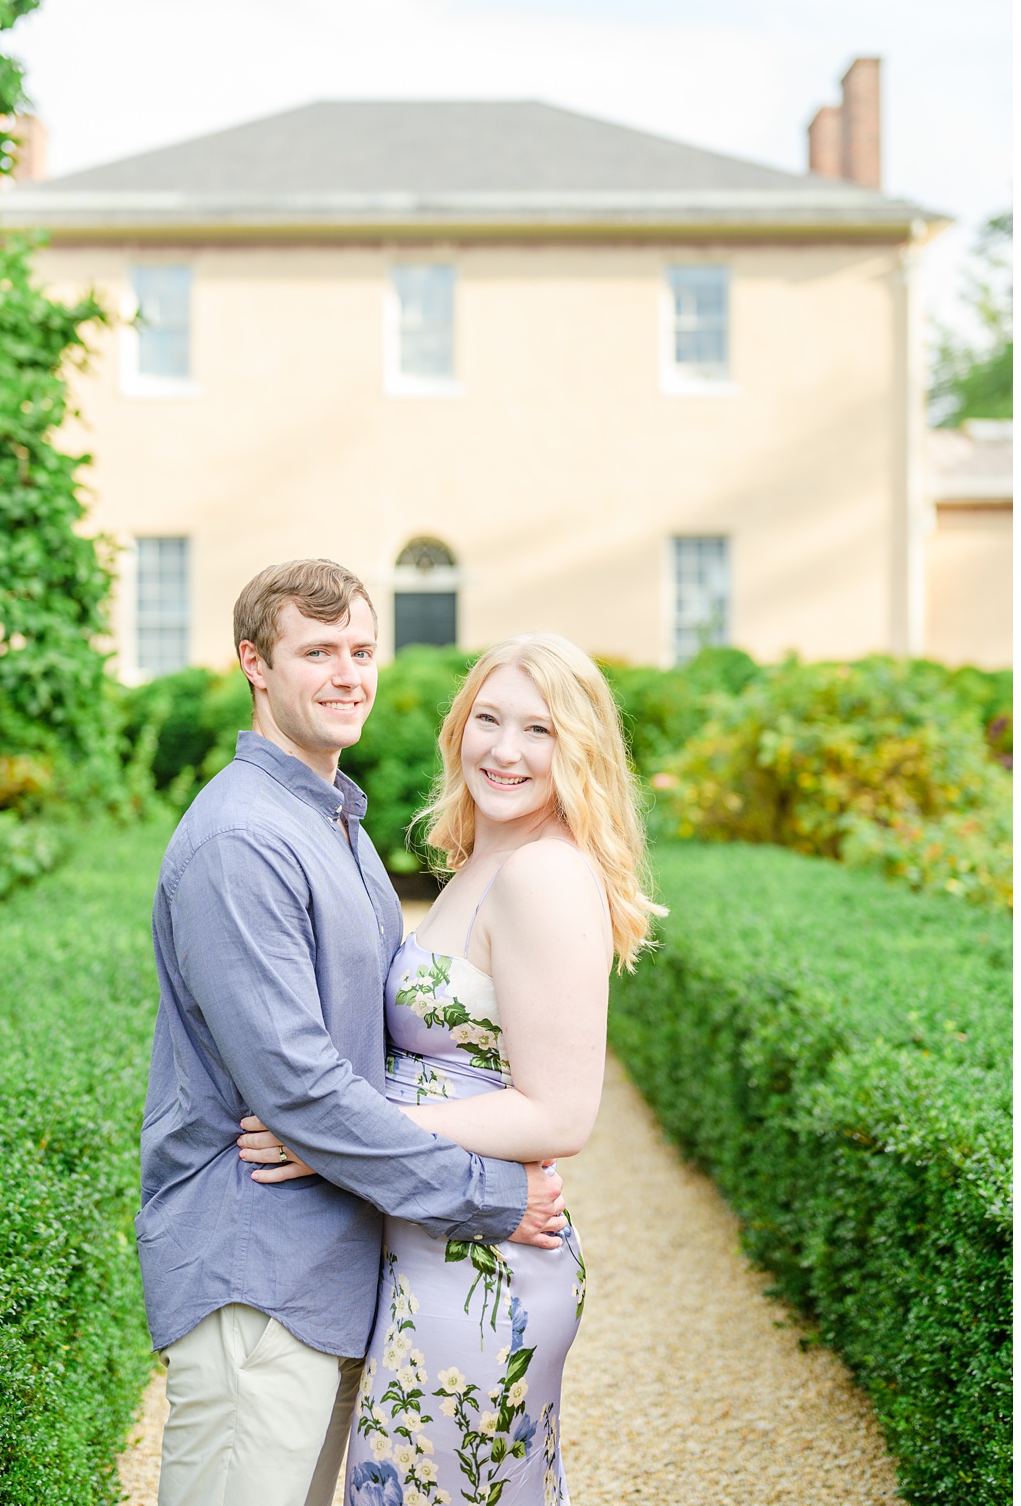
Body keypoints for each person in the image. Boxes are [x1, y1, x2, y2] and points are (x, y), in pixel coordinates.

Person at [141, 560, 570, 1506]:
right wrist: (487, 1195)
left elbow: (365, 1069)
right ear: (254, 663)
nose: (347, 674)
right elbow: (299, 1094)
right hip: (256, 1277)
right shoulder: (242, 841)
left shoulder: (336, 824)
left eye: (362, 650)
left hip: (333, 1273)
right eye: (317, 651)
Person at [238, 631, 663, 1503]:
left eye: (539, 731)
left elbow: (558, 1116)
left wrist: (337, 1140)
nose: (505, 751)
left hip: (480, 1267)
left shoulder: (544, 875)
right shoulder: (484, 861)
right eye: (488, 720)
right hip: (436, 1238)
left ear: (579, 752)